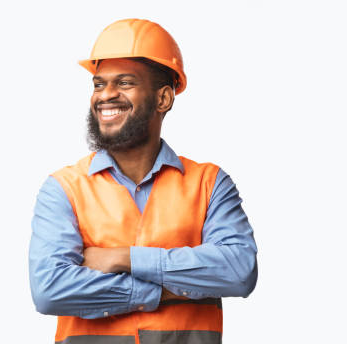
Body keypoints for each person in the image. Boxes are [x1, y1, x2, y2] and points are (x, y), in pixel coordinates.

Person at [28, 18, 258, 344]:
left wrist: (123, 258)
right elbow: (50, 290)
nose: (106, 95)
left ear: (163, 99)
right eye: (98, 84)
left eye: (124, 83)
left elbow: (239, 271)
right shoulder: (63, 188)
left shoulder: (210, 184)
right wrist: (164, 290)